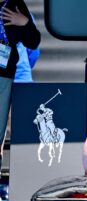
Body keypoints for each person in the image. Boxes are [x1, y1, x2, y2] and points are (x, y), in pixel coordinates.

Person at [0, 0, 40, 156]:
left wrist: (24, 22)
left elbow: (33, 44)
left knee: (14, 123)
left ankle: (22, 163)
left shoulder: (15, 5)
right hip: (11, 74)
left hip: (10, 75)